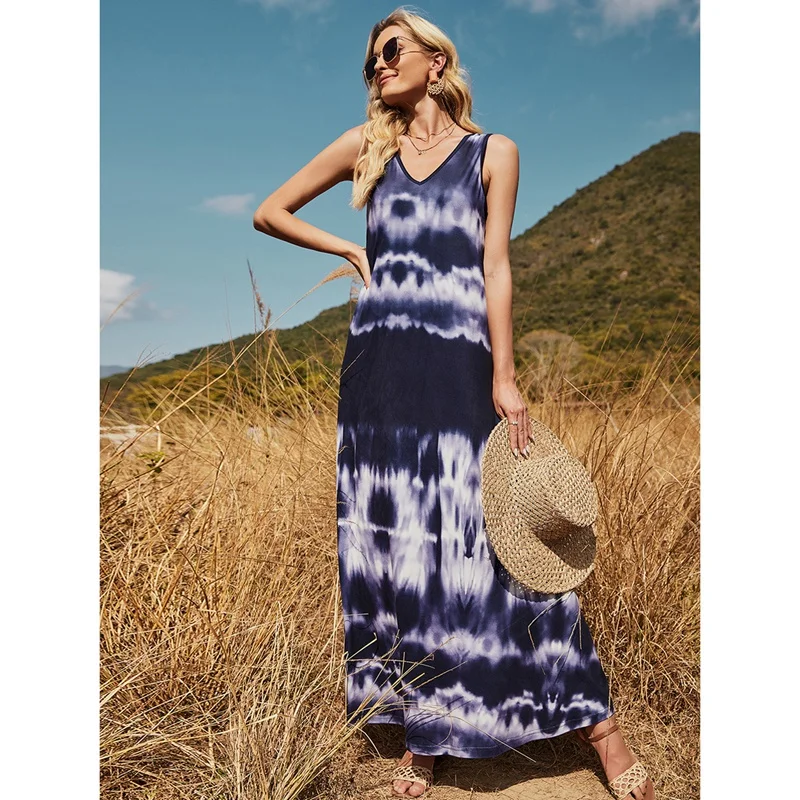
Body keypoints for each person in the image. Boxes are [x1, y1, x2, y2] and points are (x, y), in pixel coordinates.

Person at [253, 7, 655, 800]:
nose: (378, 65)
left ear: (435, 62)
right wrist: (348, 247)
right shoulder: (366, 148)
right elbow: (271, 211)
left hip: (460, 365)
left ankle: (599, 727)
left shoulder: (493, 153)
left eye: (391, 50)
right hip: (379, 370)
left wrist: (505, 374)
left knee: (495, 540)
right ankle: (426, 733)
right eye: (370, 59)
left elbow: (495, 267)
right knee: (402, 544)